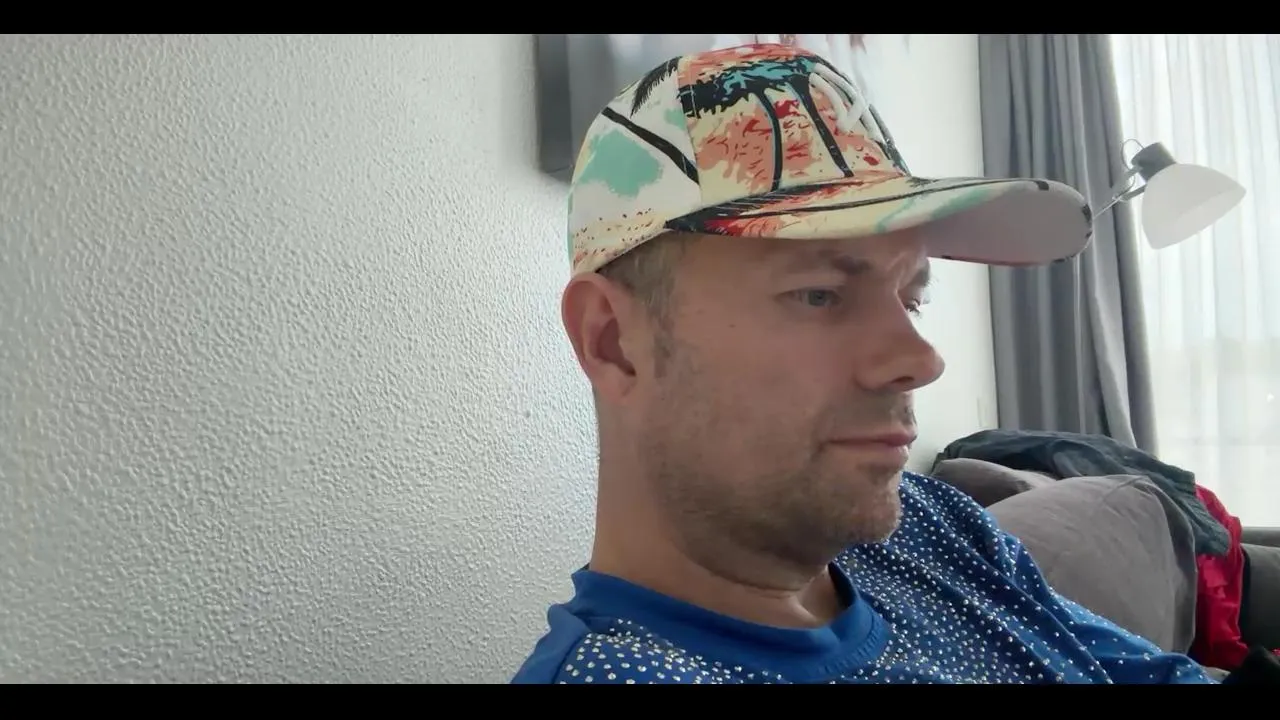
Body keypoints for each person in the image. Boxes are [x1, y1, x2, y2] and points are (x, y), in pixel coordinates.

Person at [511, 43, 1217, 685]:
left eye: (911, 300)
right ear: (614, 342)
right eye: (819, 294)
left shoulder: (929, 523)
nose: (921, 360)